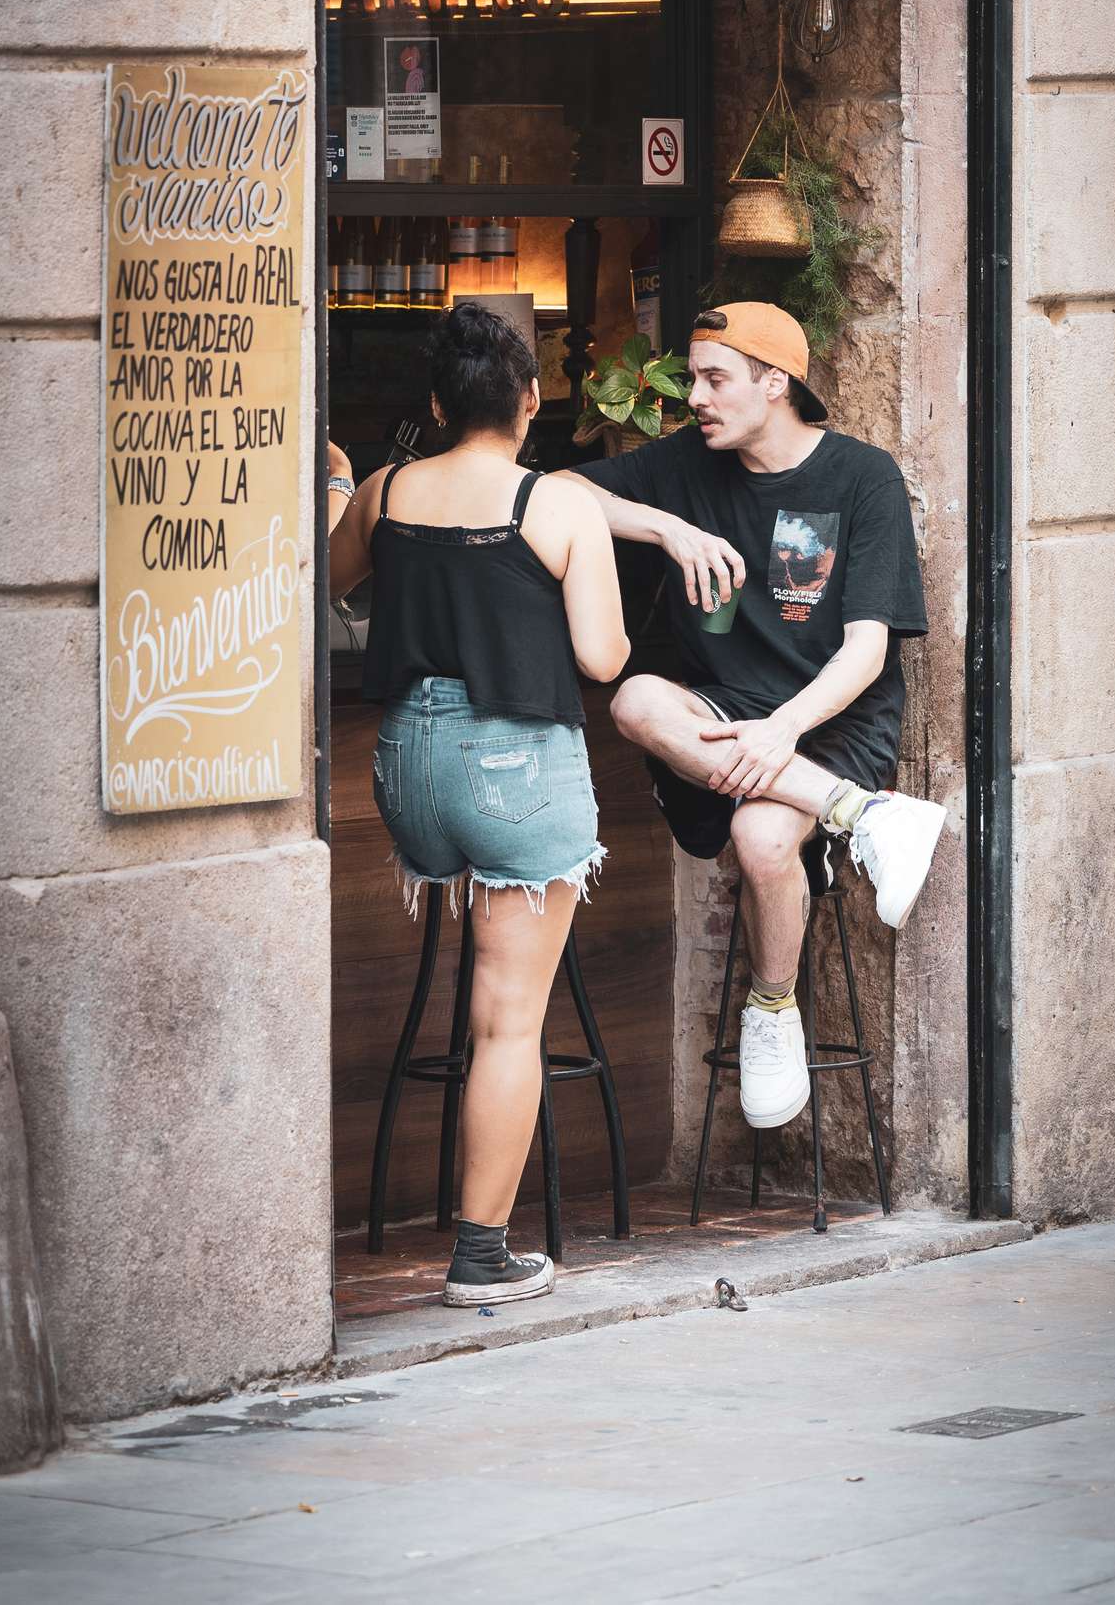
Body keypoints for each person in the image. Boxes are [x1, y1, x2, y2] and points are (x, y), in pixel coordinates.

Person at [581, 303, 944, 1136]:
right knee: (637, 698)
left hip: (829, 721)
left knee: (764, 840)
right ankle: (864, 818)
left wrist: (781, 729)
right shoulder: (685, 467)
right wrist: (666, 528)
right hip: (722, 720)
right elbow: (551, 494)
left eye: (715, 379)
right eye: (694, 378)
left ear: (775, 383)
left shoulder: (863, 478)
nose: (695, 398)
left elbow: (865, 654)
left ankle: (772, 1009)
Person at [329, 303, 629, 1307]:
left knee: (476, 993)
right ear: (532, 403)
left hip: (409, 769)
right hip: (512, 764)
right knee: (505, 1023)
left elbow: (329, 579)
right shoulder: (558, 504)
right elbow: (601, 658)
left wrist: (336, 488)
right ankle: (480, 1256)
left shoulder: (388, 490)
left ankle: (471, 1242)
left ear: (435, 405)